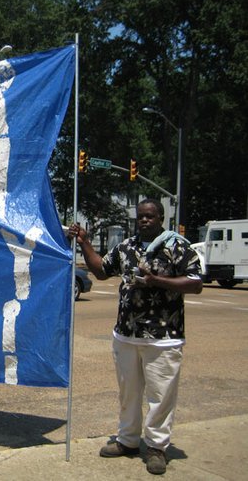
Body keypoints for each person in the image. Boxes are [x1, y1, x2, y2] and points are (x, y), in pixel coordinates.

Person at [68, 199, 202, 475]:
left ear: (161, 218)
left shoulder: (177, 246)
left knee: (160, 396)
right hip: (127, 334)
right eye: (140, 217)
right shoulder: (127, 247)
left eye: (150, 217)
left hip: (163, 337)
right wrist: (84, 242)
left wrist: (157, 281)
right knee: (128, 394)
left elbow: (196, 283)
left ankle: (156, 447)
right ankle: (128, 440)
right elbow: (102, 270)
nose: (144, 221)